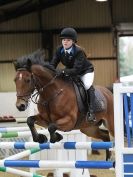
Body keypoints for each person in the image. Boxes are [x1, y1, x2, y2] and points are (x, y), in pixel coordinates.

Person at [49, 27, 96, 122]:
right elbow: (52, 64)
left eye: (68, 40)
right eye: (63, 40)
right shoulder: (59, 50)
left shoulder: (79, 52)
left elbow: (76, 70)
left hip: (85, 71)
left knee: (87, 86)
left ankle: (91, 112)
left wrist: (62, 71)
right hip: (70, 70)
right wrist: (49, 71)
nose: (65, 42)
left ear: (73, 41)